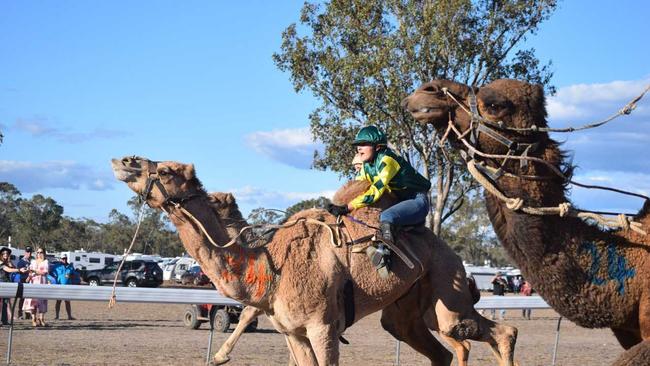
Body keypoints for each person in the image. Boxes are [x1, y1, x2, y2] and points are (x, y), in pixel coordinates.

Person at [327, 125, 431, 271]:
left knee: (386, 215)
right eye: (358, 145)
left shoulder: (387, 160)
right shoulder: (366, 166)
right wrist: (338, 205)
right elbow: (358, 188)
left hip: (417, 201)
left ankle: (385, 256)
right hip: (399, 201)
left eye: (363, 144)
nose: (359, 148)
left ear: (377, 147)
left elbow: (375, 192)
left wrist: (347, 207)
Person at [22, 247, 49, 327]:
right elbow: (30, 271)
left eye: (41, 252)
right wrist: (28, 276)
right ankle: (33, 319)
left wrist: (35, 271)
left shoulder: (46, 262)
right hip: (33, 282)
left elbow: (45, 271)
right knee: (33, 302)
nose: (39, 254)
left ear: (44, 253)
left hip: (42, 282)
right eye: (38, 252)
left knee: (42, 302)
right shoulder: (33, 261)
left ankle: (41, 319)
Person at [0, 247, 27, 325]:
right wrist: (19, 270)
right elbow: (8, 270)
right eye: (3, 253)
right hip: (1, 283)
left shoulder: (7, 262)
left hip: (6, 284)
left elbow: (12, 268)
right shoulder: (0, 263)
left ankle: (4, 320)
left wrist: (10, 263)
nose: (5, 255)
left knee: (5, 302)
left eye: (7, 253)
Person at [53, 254, 77, 320]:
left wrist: (72, 276)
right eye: (63, 258)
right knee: (58, 301)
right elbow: (51, 273)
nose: (64, 260)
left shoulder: (70, 267)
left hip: (67, 287)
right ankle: (57, 316)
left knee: (67, 302)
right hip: (59, 286)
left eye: (65, 258)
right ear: (61, 259)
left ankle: (69, 316)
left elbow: (75, 275)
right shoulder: (56, 266)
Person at [15, 246, 33, 319]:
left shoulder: (31, 261)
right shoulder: (21, 261)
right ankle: (20, 314)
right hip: (23, 281)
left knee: (29, 298)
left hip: (30, 281)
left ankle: (28, 313)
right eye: (28, 252)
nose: (29, 253)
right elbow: (19, 271)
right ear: (25, 252)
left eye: (30, 252)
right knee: (22, 298)